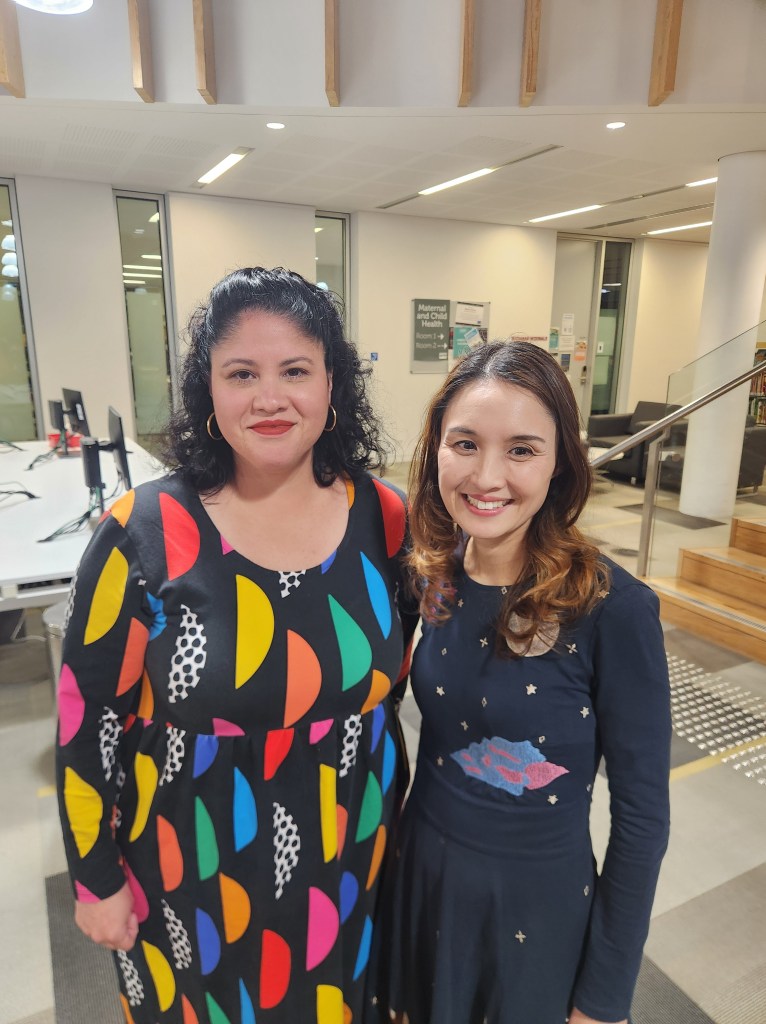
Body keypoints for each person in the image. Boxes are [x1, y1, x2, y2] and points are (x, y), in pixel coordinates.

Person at [55, 267, 417, 1023]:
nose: (270, 397)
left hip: (354, 864)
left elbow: (401, 676)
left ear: (331, 385)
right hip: (190, 882)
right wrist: (95, 879)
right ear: (208, 391)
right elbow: (86, 723)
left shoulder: (385, 520)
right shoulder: (143, 533)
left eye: (295, 371)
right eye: (241, 373)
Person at [370, 340, 671, 1024]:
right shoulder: (429, 572)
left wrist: (604, 997)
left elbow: (643, 821)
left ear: (561, 459)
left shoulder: (613, 610)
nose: (487, 476)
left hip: (535, 908)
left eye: (522, 450)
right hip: (420, 879)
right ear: (436, 449)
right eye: (465, 443)